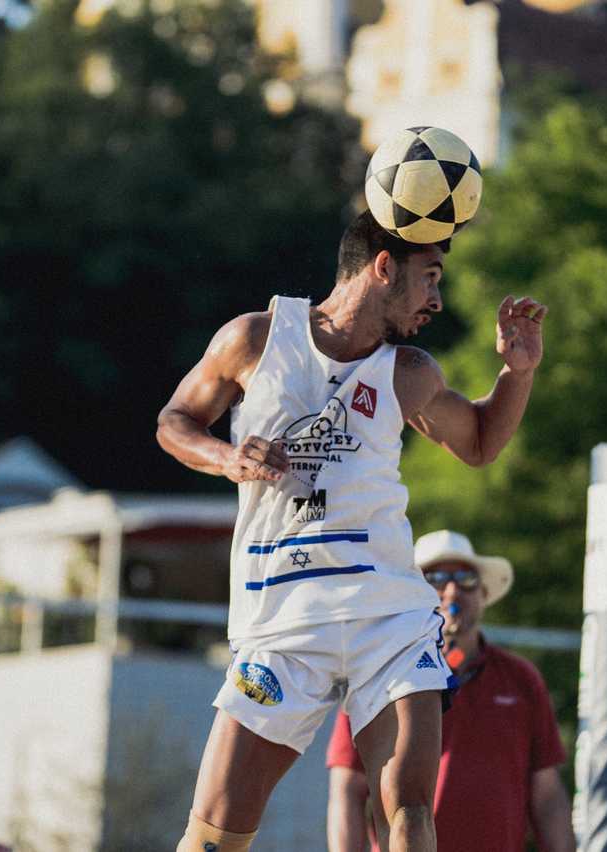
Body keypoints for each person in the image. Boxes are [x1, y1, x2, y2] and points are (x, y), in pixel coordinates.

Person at [156, 210, 547, 852]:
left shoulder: (410, 370)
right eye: (430, 278)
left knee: (408, 815)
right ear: (384, 267)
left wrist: (518, 374)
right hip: (282, 619)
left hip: (386, 616)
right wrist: (228, 459)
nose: (437, 300)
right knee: (211, 836)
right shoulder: (255, 338)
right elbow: (174, 421)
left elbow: (478, 441)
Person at [326, 529, 576, 852]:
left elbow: (547, 793)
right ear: (411, 593)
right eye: (436, 578)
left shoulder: (520, 678)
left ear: (484, 593)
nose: (452, 590)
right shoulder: (376, 675)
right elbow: (348, 788)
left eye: (466, 578)